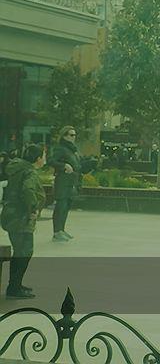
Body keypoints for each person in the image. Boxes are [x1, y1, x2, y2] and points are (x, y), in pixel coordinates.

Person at [0, 144, 46, 299]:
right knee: (24, 252)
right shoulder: (29, 172)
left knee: (20, 251)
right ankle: (14, 288)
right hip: (21, 217)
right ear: (38, 158)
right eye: (43, 156)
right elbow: (27, 190)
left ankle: (16, 284)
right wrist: (33, 209)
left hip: (12, 214)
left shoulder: (19, 168)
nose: (44, 159)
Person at [48, 126, 81, 241]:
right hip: (63, 181)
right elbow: (51, 161)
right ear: (64, 136)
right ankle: (57, 232)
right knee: (61, 206)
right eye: (71, 135)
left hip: (71, 182)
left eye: (74, 135)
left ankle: (61, 229)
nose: (73, 137)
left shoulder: (72, 150)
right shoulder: (60, 148)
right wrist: (63, 166)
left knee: (66, 206)